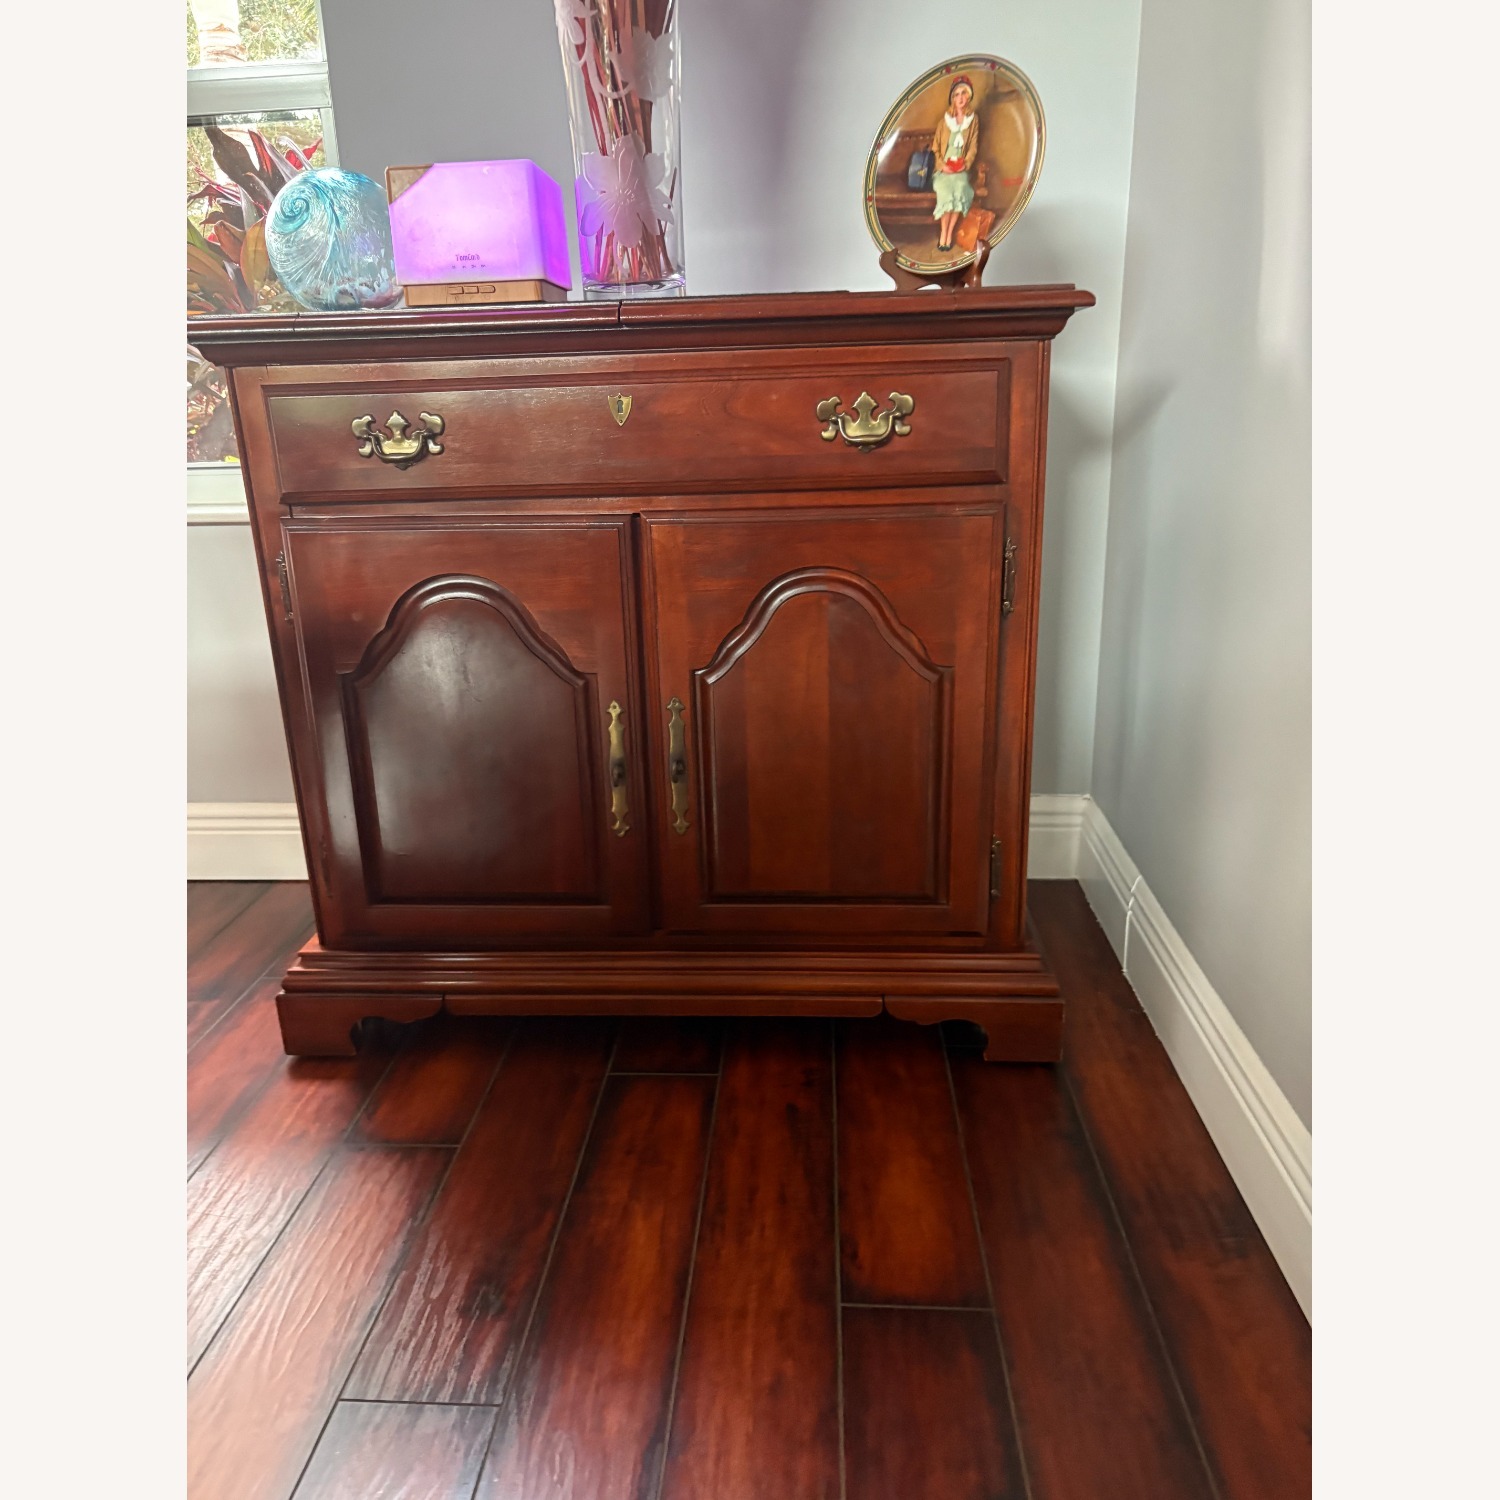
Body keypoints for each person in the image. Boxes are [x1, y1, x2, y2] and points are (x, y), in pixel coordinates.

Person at [930, 75, 980, 254]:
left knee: (960, 187)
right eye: (957, 94)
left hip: (960, 168)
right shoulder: (944, 122)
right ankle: (943, 233)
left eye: (963, 93)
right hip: (944, 169)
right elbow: (935, 148)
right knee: (945, 191)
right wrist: (942, 165)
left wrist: (965, 164)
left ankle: (948, 234)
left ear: (969, 97)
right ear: (952, 98)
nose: (960, 98)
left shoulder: (973, 121)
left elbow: (973, 147)